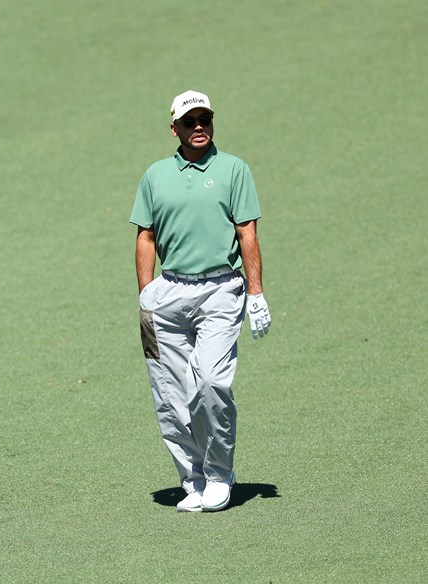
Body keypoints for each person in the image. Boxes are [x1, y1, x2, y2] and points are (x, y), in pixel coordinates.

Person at [130, 91, 271, 512]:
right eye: (190, 121)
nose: (198, 127)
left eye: (205, 119)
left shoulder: (233, 170)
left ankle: (219, 474)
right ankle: (192, 478)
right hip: (167, 295)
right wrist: (146, 293)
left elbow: (247, 232)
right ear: (173, 128)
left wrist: (256, 292)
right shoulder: (155, 175)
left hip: (220, 290)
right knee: (171, 393)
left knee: (211, 381)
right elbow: (146, 236)